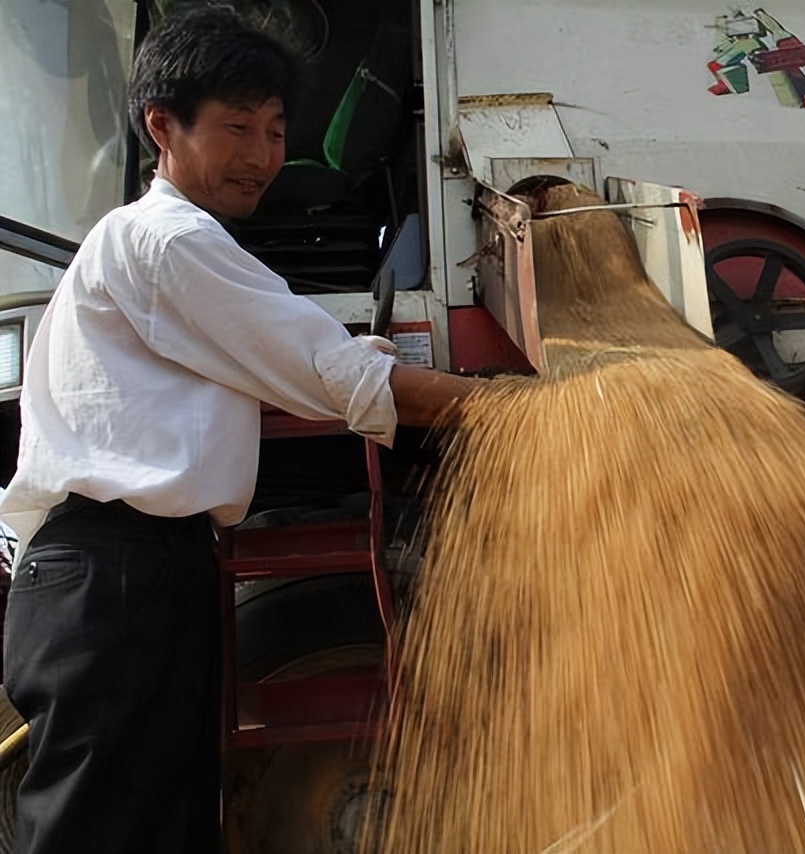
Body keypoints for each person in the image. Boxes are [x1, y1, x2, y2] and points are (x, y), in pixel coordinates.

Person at [0, 8, 481, 853]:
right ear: (162, 126)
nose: (262, 155)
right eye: (235, 128)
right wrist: (516, 408)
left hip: (134, 572)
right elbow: (330, 374)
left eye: (275, 130)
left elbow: (291, 355)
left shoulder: (166, 249)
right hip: (114, 575)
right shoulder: (168, 238)